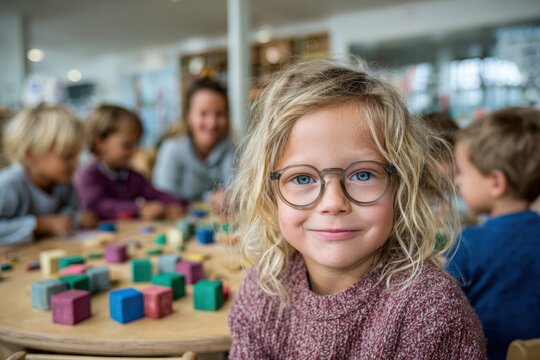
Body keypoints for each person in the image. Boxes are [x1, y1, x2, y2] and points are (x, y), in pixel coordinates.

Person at [227, 60, 486, 359]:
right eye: (302, 178)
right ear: (269, 194)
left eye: (362, 174)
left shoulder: (433, 315)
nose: (334, 202)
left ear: (401, 186)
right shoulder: (262, 294)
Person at [446, 107, 540, 360]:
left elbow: (439, 304)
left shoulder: (471, 243)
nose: (458, 182)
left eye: (463, 173)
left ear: (496, 183)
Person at [0, 103, 97, 244]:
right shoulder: (8, 185)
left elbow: (69, 212)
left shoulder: (63, 182)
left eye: (77, 156)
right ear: (30, 155)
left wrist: (78, 219)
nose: (77, 164)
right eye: (67, 156)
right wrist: (41, 225)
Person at [75, 105, 184, 221]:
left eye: (136, 144)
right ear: (99, 143)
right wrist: (139, 208)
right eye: (127, 145)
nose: (134, 151)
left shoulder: (132, 176)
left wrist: (173, 203)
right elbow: (96, 205)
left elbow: (155, 194)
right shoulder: (88, 175)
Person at [152, 77, 235, 210]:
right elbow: (163, 198)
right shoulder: (171, 149)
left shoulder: (233, 149)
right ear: (188, 116)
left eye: (219, 114)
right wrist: (210, 197)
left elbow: (238, 193)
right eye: (203, 114)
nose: (212, 123)